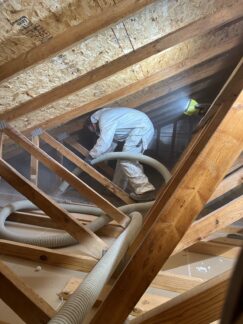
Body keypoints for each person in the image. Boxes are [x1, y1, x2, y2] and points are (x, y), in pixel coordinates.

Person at [85, 107, 156, 201]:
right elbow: (110, 143)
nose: (95, 132)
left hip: (141, 129)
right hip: (140, 128)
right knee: (122, 159)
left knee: (126, 160)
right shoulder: (109, 117)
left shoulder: (105, 118)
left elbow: (105, 141)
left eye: (92, 129)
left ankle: (146, 191)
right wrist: (97, 158)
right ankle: (116, 190)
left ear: (92, 123)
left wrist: (91, 155)